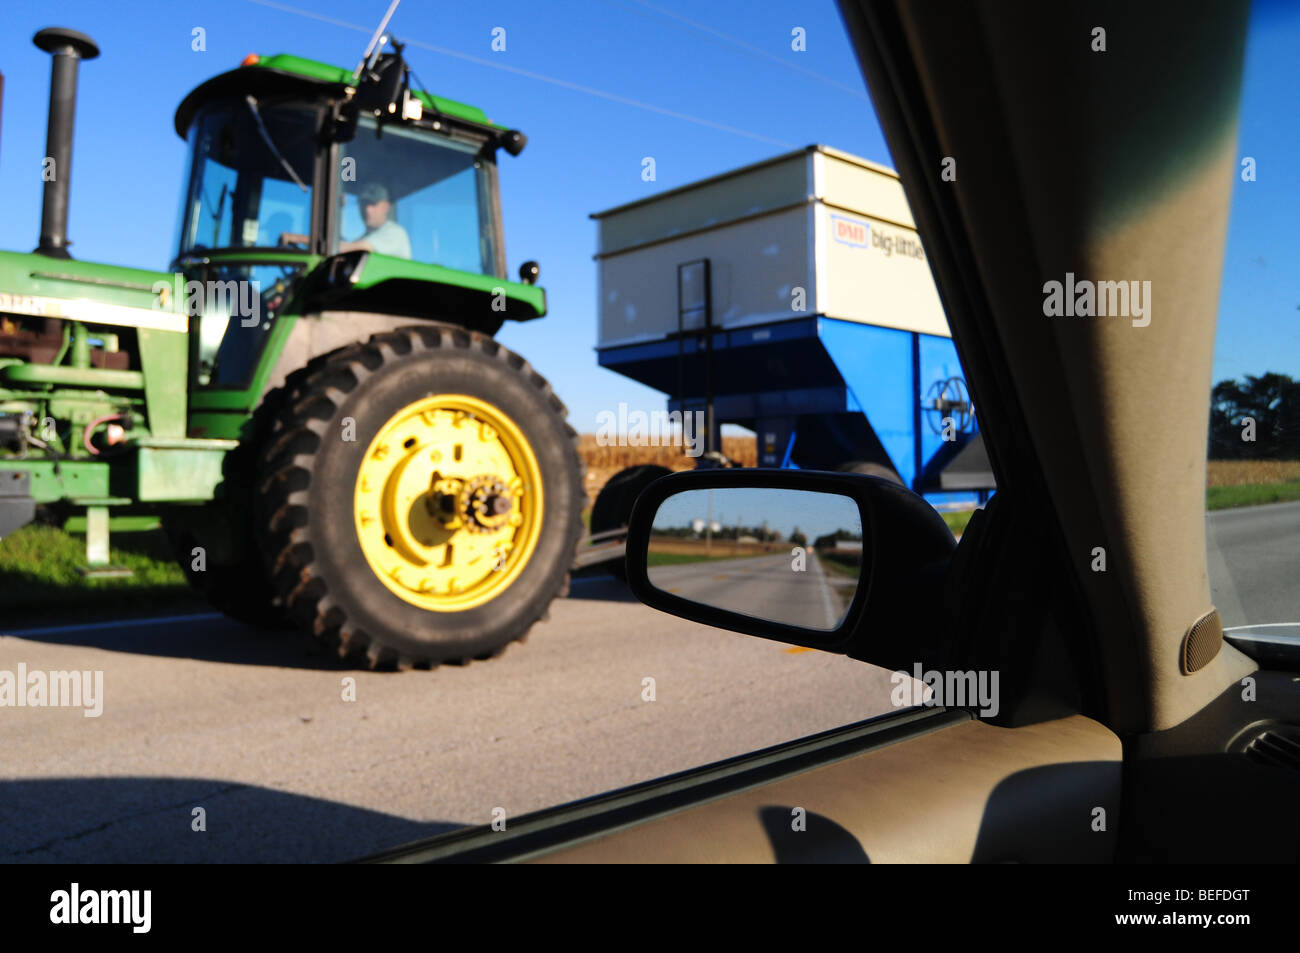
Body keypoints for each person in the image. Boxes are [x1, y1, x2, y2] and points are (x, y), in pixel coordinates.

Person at [279, 183, 411, 258]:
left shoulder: (394, 233)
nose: (367, 210)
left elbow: (344, 248)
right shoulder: (366, 237)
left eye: (372, 204)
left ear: (386, 206)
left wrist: (297, 239)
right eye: (364, 204)